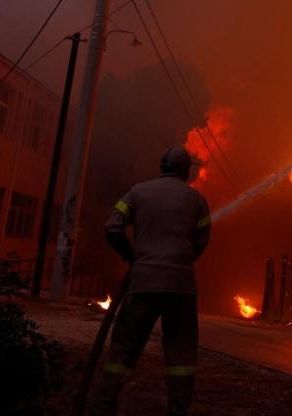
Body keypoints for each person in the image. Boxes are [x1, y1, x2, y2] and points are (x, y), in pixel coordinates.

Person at [94, 146, 211, 416]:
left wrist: (131, 256)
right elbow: (202, 239)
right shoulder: (197, 200)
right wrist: (181, 260)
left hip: (142, 283)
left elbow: (112, 227)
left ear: (162, 166)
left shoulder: (137, 192)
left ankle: (104, 406)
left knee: (122, 352)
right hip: (181, 287)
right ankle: (178, 410)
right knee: (181, 357)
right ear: (186, 170)